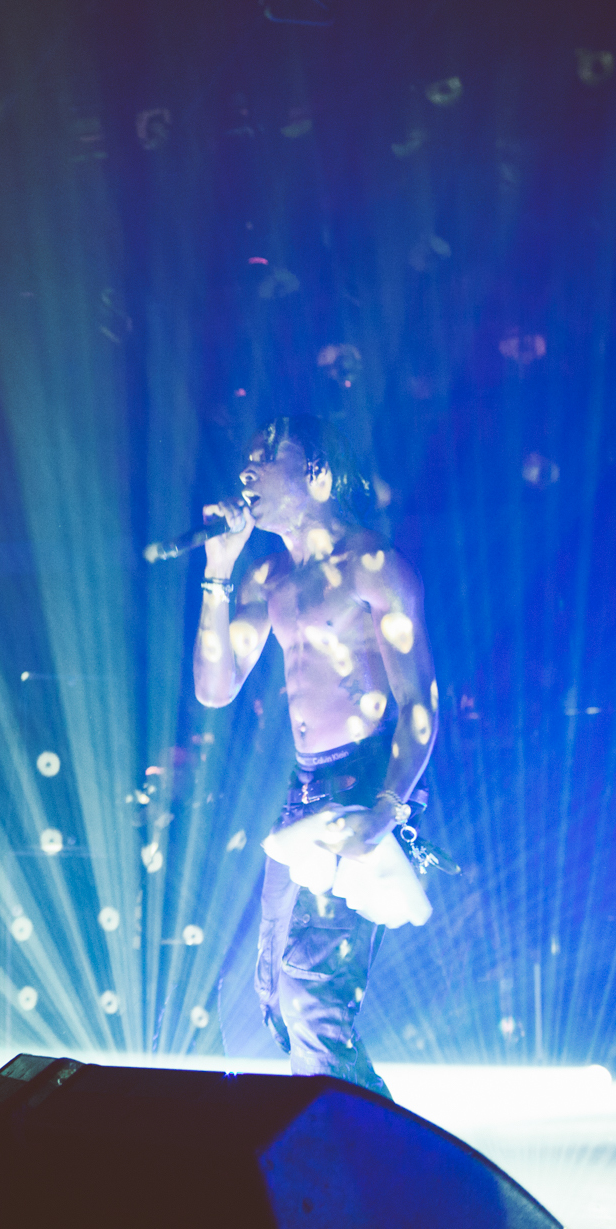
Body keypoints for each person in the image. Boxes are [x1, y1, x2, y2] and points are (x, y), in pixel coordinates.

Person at [194, 415, 439, 1095]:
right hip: (305, 795)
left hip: (365, 782)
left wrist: (387, 808)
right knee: (275, 993)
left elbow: (419, 703)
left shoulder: (371, 565)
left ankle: (367, 1151)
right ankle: (371, 1135)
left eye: (267, 456)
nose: (247, 469)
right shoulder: (267, 575)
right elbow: (215, 687)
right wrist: (218, 571)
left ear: (317, 472)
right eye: (246, 457)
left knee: (313, 1000)